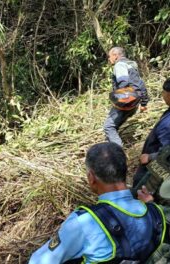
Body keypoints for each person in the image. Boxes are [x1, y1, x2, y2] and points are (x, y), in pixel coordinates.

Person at [29, 142, 165, 264]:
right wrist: (149, 205)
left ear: (91, 178)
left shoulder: (83, 222)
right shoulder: (156, 214)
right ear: (125, 171)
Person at [104, 47, 149, 147]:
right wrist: (144, 102)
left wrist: (119, 99)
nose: (109, 59)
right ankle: (114, 145)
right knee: (115, 125)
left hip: (127, 100)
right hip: (135, 100)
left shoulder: (119, 65)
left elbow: (123, 82)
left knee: (109, 126)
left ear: (115, 56)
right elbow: (141, 84)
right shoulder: (132, 64)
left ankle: (118, 151)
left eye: (109, 56)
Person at [133, 78, 170, 187]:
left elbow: (168, 152)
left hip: (155, 171)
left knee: (142, 193)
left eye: (164, 92)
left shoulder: (168, 124)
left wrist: (150, 157)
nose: (162, 95)